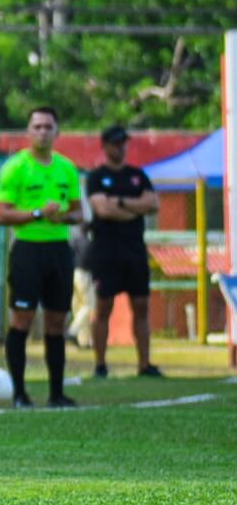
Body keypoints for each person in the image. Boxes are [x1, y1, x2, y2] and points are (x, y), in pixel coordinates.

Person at [0, 106, 83, 409]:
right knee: (22, 318)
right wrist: (36, 213)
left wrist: (64, 218)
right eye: (37, 126)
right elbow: (2, 214)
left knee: (57, 321)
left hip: (59, 251)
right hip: (28, 250)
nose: (43, 132)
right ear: (29, 131)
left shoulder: (67, 169)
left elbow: (78, 211)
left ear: (57, 132)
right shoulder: (16, 167)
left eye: (48, 127)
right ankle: (19, 393)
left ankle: (56, 394)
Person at [85, 124, 162, 378]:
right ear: (105, 145)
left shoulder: (138, 175)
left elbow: (152, 204)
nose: (120, 147)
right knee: (104, 306)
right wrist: (134, 208)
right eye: (115, 143)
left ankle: (144, 363)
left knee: (141, 305)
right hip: (106, 252)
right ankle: (100, 364)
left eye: (123, 143)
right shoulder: (96, 177)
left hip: (135, 251)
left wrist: (118, 202)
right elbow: (102, 210)